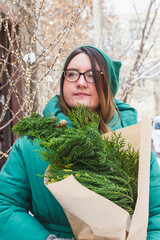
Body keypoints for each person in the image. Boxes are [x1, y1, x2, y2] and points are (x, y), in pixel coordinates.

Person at [0, 46, 160, 240]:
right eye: (72, 74)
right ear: (63, 82)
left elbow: (155, 216)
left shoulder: (133, 145)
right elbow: (5, 205)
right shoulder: (32, 143)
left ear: (107, 86)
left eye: (92, 75)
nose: (81, 82)